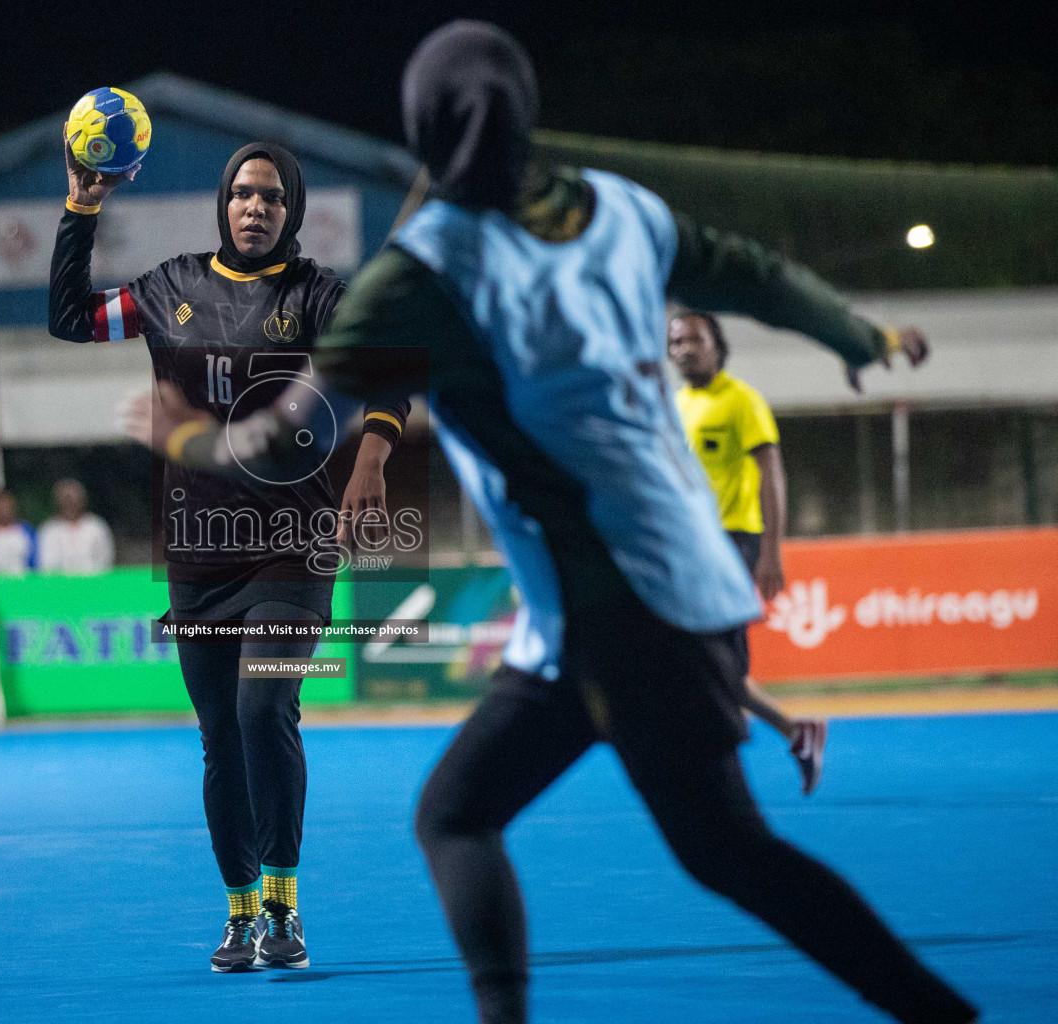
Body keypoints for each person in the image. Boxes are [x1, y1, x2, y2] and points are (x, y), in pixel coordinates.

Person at [136, 21, 976, 1024]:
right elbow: (749, 271)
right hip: (680, 587)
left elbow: (278, 441)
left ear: (422, 129)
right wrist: (858, 331)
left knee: (459, 820)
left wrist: (183, 438)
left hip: (606, 608)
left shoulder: (424, 270)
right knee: (721, 851)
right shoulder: (622, 210)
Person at [49, 137, 411, 972]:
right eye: (244, 194)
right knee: (219, 738)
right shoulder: (168, 288)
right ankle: (240, 916)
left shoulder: (320, 296)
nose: (256, 208)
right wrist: (82, 206)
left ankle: (285, 906)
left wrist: (373, 459)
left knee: (262, 711)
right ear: (224, 203)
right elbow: (70, 318)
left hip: (293, 545)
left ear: (294, 211)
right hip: (200, 557)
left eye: (273, 198)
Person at [668, 310, 827, 794]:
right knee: (705, 663)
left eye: (694, 339)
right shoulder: (675, 404)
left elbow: (771, 475)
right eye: (675, 343)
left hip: (734, 543)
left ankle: (721, 760)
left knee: (707, 661)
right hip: (690, 546)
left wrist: (771, 552)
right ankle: (795, 731)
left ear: (717, 345)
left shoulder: (742, 402)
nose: (684, 349)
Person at [37, 478, 114, 575]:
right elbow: (45, 565)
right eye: (65, 500)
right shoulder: (49, 530)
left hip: (92, 585)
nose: (69, 504)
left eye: (73, 500)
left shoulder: (96, 526)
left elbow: (105, 560)